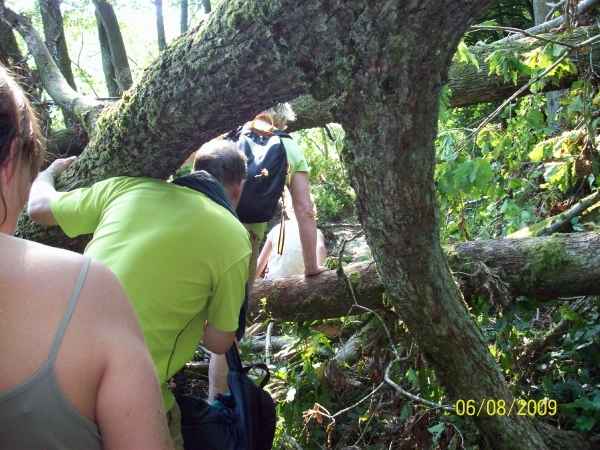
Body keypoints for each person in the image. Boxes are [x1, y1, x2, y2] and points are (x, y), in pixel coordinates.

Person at [27, 139, 251, 450]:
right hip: (128, 399)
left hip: (44, 379)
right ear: (238, 189)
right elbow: (218, 341)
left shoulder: (127, 189)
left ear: (194, 169)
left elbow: (37, 209)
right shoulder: (235, 237)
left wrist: (47, 173)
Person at [0, 66, 173, 449]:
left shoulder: (116, 190)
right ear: (12, 157)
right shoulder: (90, 289)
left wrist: (46, 177)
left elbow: (40, 207)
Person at [207, 103, 328, 403]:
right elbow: (305, 210)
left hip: (202, 224)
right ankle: (218, 404)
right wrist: (312, 267)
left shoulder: (229, 133)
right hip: (243, 239)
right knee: (228, 325)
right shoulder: (287, 146)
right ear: (283, 120)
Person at [255, 189, 327, 279]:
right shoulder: (314, 231)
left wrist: (249, 286)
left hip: (273, 281)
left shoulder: (277, 228)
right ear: (311, 210)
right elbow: (320, 247)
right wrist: (318, 274)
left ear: (288, 210)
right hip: (300, 282)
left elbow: (260, 263)